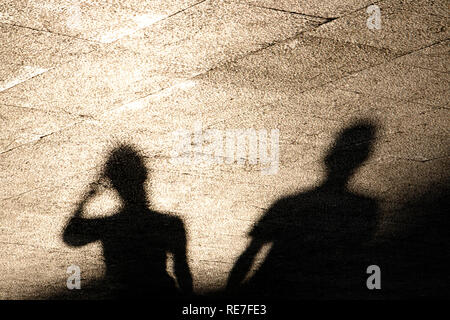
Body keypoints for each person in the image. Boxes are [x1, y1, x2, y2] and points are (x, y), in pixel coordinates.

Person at [226, 121, 380, 298]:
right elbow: (365, 260)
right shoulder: (364, 209)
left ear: (328, 157)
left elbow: (249, 254)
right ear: (362, 159)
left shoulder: (289, 203)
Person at [63, 144, 193, 298]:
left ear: (113, 185)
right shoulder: (171, 223)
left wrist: (88, 195)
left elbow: (70, 236)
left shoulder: (109, 226)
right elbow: (182, 272)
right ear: (145, 176)